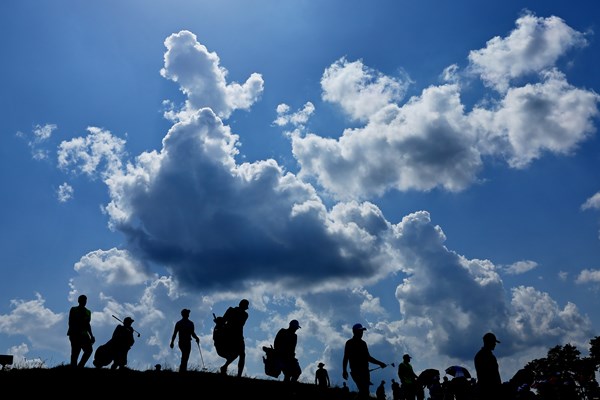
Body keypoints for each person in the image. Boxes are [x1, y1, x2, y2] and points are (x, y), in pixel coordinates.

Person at [342, 323, 387, 400]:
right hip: (356, 371)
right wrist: (344, 370)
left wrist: (380, 363)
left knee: (365, 393)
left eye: (362, 331)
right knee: (364, 391)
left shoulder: (363, 343)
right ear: (354, 332)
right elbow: (346, 357)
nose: (361, 333)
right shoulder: (349, 343)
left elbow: (368, 358)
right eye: (360, 331)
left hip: (365, 371)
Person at [219, 299, 249, 377]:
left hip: (237, 336)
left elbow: (225, 320)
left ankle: (236, 374)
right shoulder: (238, 312)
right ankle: (225, 368)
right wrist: (220, 323)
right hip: (231, 336)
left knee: (241, 355)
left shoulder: (243, 314)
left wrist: (222, 323)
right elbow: (224, 320)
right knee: (237, 355)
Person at [67, 294, 95, 368]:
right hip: (74, 334)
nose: (84, 301)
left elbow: (88, 324)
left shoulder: (88, 312)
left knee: (89, 350)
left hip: (84, 335)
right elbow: (71, 322)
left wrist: (91, 336)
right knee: (75, 353)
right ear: (79, 301)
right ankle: (74, 368)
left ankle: (80, 366)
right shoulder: (73, 309)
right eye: (82, 300)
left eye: (85, 300)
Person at [170, 308, 200, 372]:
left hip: (188, 341)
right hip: (182, 341)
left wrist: (196, 338)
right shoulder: (179, 323)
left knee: (186, 356)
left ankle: (183, 369)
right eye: (187, 313)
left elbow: (192, 333)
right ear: (184, 314)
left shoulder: (190, 323)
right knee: (185, 355)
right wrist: (172, 342)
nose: (188, 314)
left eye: (188, 313)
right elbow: (175, 333)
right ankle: (182, 370)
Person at [474, 332, 502, 400]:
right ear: (489, 342)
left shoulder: (481, 355)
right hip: (489, 391)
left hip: (486, 389)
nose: (495, 344)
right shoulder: (486, 356)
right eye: (493, 342)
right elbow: (492, 374)